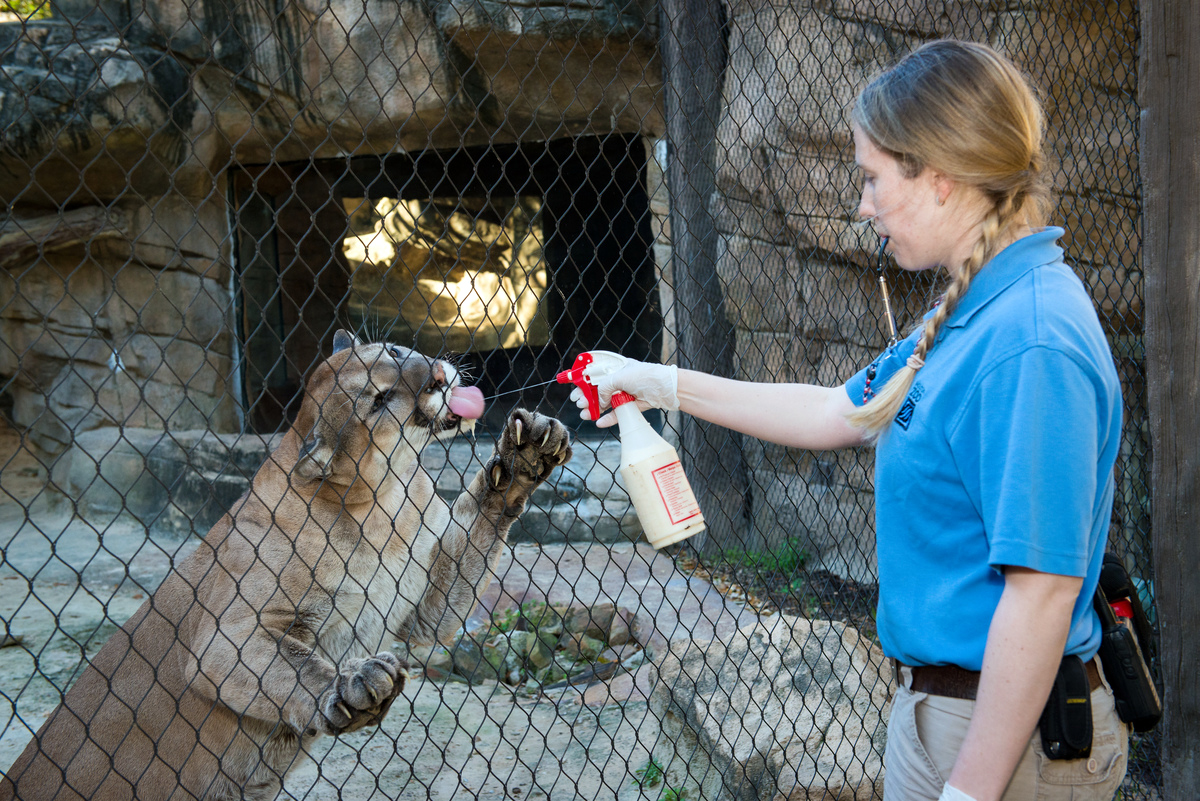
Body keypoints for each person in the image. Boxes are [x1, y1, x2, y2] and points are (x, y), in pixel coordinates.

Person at [572, 40, 1127, 801]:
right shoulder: (973, 312)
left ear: (937, 177)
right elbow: (839, 410)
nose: (861, 205)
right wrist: (652, 380)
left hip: (1008, 745)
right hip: (946, 715)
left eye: (871, 178)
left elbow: (1042, 593)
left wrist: (967, 792)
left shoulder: (1030, 339)